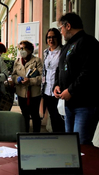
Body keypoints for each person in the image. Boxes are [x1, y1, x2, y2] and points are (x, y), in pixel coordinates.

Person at [53, 13, 99, 144]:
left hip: (85, 104)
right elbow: (60, 69)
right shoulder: (67, 45)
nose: (60, 32)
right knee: (71, 143)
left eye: (60, 28)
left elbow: (89, 72)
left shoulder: (88, 42)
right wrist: (57, 85)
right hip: (69, 105)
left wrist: (71, 91)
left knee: (81, 143)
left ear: (68, 26)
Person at [12, 40, 43, 132]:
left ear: (29, 50)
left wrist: (30, 81)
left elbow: (42, 77)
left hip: (34, 94)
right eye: (20, 48)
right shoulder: (17, 62)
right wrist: (17, 79)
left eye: (23, 48)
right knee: (24, 114)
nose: (21, 50)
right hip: (22, 93)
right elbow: (13, 75)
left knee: (35, 115)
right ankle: (25, 134)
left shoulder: (37, 61)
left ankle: (36, 134)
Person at [41, 28, 65, 132]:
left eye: (53, 37)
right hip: (47, 90)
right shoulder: (46, 52)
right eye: (49, 37)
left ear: (58, 38)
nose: (51, 39)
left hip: (58, 89)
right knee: (52, 116)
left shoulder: (63, 51)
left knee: (59, 117)